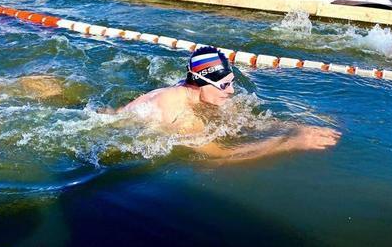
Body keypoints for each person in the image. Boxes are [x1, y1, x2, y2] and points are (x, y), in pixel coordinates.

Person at [100, 46, 340, 162]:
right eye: (224, 85)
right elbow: (219, 157)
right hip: (105, 130)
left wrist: (294, 126)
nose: (232, 91)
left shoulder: (202, 94)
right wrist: (290, 144)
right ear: (199, 83)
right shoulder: (180, 115)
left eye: (232, 82)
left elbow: (249, 121)